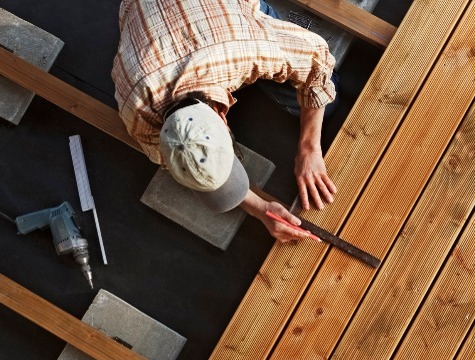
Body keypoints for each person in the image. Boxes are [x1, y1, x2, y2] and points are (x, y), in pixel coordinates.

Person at [112, 0, 339, 242]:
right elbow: (173, 160)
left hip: (218, 27)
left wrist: (309, 149)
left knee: (328, 97)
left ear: (223, 115)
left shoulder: (243, 48)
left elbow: (318, 60)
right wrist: (260, 209)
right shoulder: (134, 113)